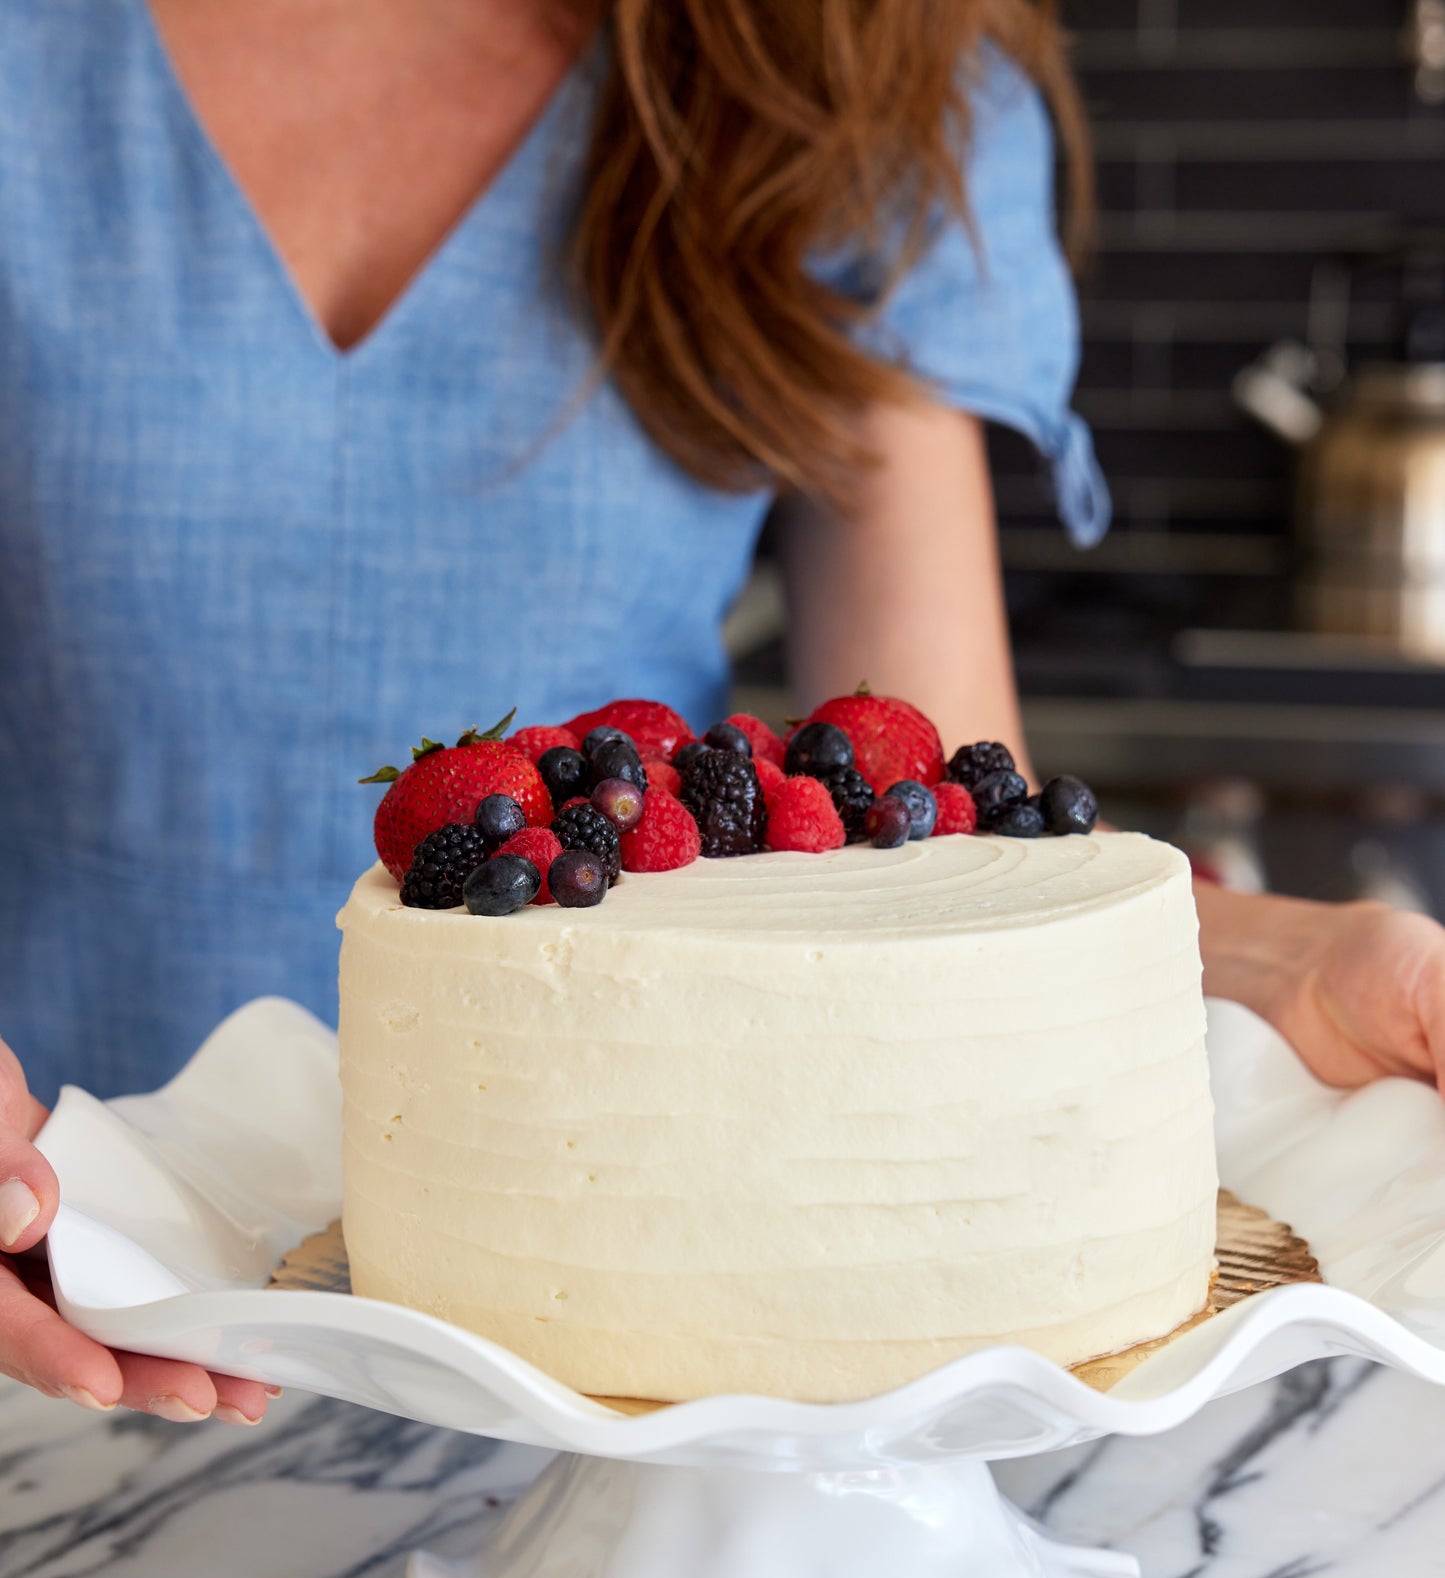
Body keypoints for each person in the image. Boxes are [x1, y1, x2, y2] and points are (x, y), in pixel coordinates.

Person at [3, 0, 1445, 1423]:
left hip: (649, 1341)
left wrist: (1273, 962)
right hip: (62, 1285)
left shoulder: (848, 59)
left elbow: (931, 830)